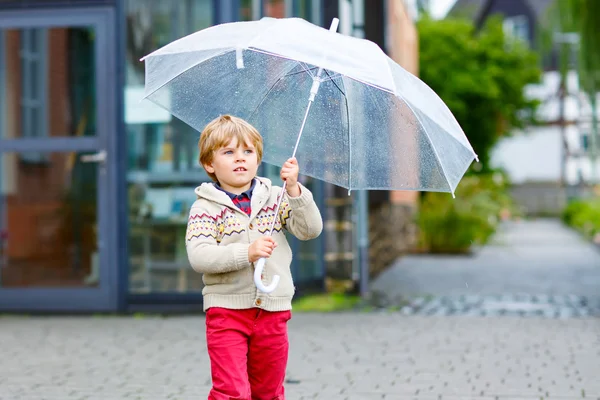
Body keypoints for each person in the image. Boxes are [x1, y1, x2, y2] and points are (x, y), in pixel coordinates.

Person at [185, 114, 323, 399]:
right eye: (229, 152)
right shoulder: (205, 208)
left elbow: (310, 229)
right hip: (227, 312)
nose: (240, 158)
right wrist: (246, 253)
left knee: (268, 391)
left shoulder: (276, 198)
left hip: (272, 312)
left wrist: (295, 190)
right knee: (232, 391)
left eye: (248, 151)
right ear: (209, 164)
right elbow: (200, 256)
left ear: (258, 159)